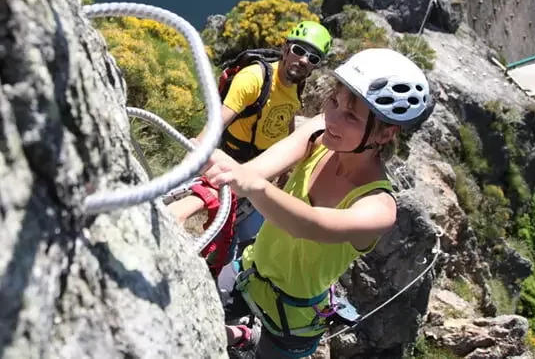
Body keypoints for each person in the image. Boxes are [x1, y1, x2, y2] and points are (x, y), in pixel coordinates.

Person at [202, 48, 434, 358]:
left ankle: (249, 339)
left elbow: (309, 225)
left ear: (385, 133)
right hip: (249, 272)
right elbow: (255, 172)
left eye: (350, 115)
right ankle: (244, 335)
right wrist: (196, 196)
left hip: (293, 319)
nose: (332, 116)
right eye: (334, 102)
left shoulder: (378, 206)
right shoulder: (319, 134)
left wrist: (253, 185)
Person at [165, 21, 333, 274]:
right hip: (235, 162)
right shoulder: (255, 78)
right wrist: (194, 156)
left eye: (313, 58)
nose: (304, 60)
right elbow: (217, 122)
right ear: (285, 48)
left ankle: (224, 275)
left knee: (247, 235)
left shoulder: (297, 83)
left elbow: (287, 116)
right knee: (223, 234)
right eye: (299, 50)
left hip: (264, 169)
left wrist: (286, 168)